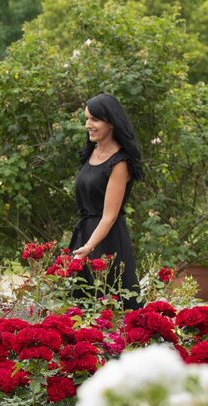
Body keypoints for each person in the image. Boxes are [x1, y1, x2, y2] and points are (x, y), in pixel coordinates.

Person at [68, 93, 143, 310]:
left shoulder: (119, 163)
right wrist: (81, 244)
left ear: (110, 122)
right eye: (86, 119)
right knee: (79, 307)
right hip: (84, 235)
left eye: (94, 119)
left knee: (111, 308)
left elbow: (109, 216)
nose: (88, 125)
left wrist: (89, 247)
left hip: (107, 242)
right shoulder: (91, 152)